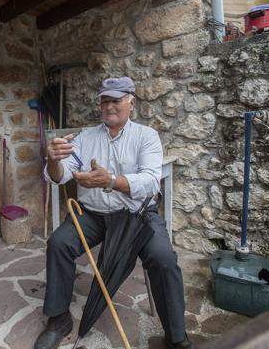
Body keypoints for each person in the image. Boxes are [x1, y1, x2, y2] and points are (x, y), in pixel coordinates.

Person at [34, 77, 191, 349]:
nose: (109, 106)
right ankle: (59, 319)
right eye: (104, 100)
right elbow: (59, 176)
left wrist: (111, 181)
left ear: (131, 103)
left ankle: (176, 337)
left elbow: (152, 182)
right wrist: (53, 159)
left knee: (164, 258)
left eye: (116, 100)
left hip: (137, 215)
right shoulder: (86, 138)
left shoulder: (146, 136)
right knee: (58, 243)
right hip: (93, 215)